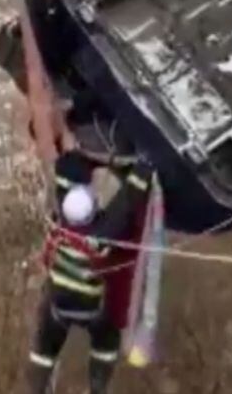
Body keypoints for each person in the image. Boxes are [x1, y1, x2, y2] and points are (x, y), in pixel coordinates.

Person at [28, 154, 154, 394]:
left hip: (57, 307)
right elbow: (123, 208)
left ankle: (37, 385)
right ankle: (98, 386)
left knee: (45, 344)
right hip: (89, 309)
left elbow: (46, 258)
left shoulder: (58, 231)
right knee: (107, 339)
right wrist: (142, 172)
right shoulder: (97, 239)